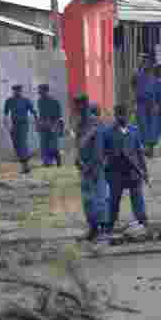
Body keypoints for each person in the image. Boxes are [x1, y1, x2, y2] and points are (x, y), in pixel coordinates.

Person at [105, 105, 149, 232]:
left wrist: (144, 171)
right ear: (115, 115)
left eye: (124, 115)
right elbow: (104, 153)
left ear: (128, 116)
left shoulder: (134, 131)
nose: (121, 118)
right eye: (119, 115)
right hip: (116, 172)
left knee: (137, 197)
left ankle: (142, 220)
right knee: (114, 200)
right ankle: (110, 224)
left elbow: (139, 153)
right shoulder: (108, 133)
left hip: (133, 171)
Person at [74, 94, 108, 241]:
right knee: (87, 200)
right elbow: (79, 145)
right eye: (76, 106)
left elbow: (99, 148)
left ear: (85, 105)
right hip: (84, 167)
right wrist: (78, 160)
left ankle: (102, 230)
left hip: (96, 167)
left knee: (99, 199)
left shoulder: (95, 124)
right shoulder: (80, 124)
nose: (77, 109)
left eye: (79, 106)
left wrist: (93, 166)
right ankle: (93, 229)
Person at [3, 84, 36, 174]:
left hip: (23, 124)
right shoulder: (9, 100)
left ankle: (25, 166)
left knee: (22, 143)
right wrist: (6, 124)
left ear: (21, 91)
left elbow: (33, 111)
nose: (17, 92)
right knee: (16, 144)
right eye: (15, 90)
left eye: (19, 90)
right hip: (14, 125)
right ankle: (24, 163)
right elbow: (6, 113)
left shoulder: (25, 100)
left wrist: (37, 121)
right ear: (13, 91)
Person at [134, 58, 161, 157]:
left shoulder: (143, 77)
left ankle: (149, 147)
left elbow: (134, 87)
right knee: (145, 125)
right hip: (144, 103)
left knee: (147, 125)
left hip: (148, 104)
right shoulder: (141, 76)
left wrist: (156, 104)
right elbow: (134, 86)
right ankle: (148, 147)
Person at [36, 84, 63, 167]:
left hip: (53, 124)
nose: (39, 93)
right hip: (43, 125)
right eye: (39, 91)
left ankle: (57, 159)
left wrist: (55, 126)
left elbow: (59, 115)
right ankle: (47, 162)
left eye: (41, 91)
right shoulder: (39, 101)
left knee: (53, 146)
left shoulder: (54, 101)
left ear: (46, 91)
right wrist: (39, 124)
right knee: (43, 145)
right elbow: (40, 114)